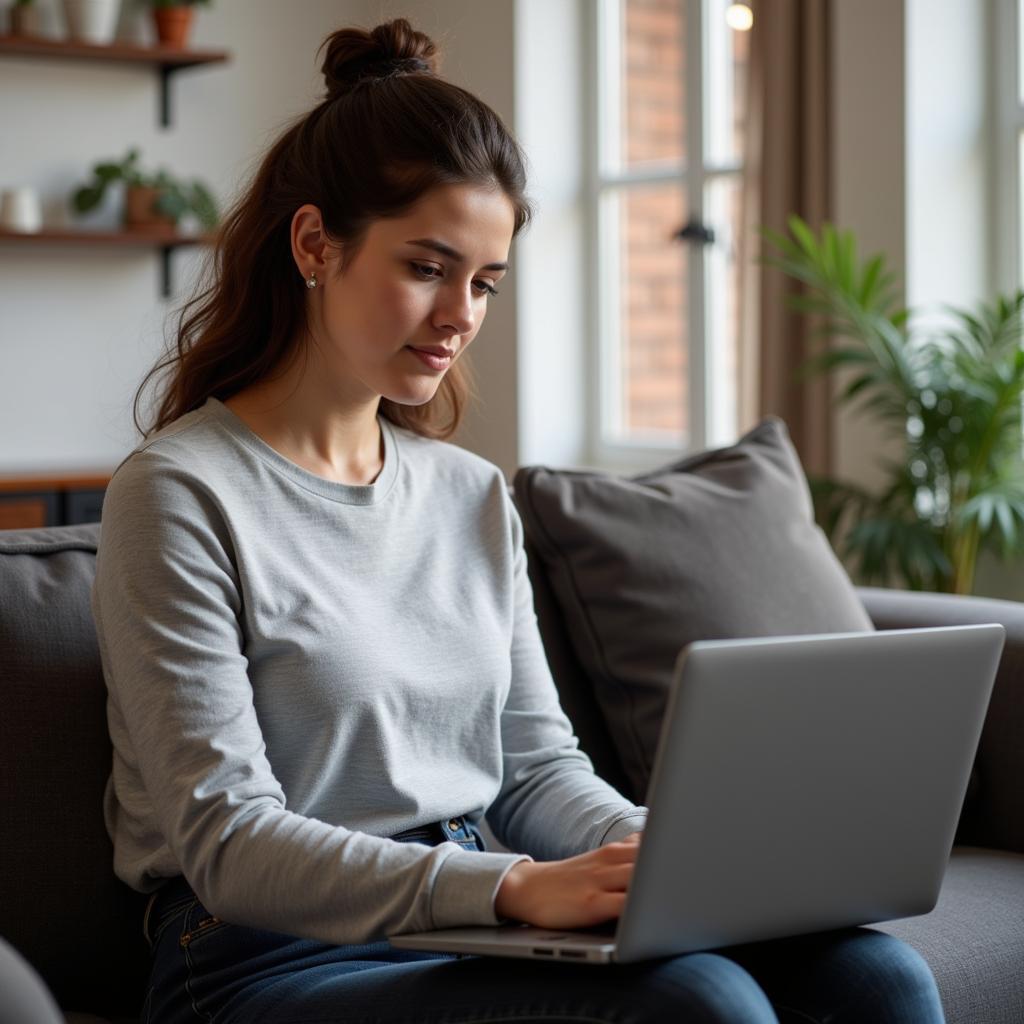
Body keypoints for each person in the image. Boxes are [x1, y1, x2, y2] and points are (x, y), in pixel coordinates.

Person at [91, 18, 947, 1024]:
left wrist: (668, 855)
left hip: (465, 916)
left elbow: (536, 768)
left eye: (484, 281)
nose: (461, 312)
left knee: (875, 975)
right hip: (262, 958)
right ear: (315, 244)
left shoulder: (466, 493)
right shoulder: (178, 492)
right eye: (427, 266)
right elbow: (228, 839)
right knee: (697, 1003)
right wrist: (506, 888)